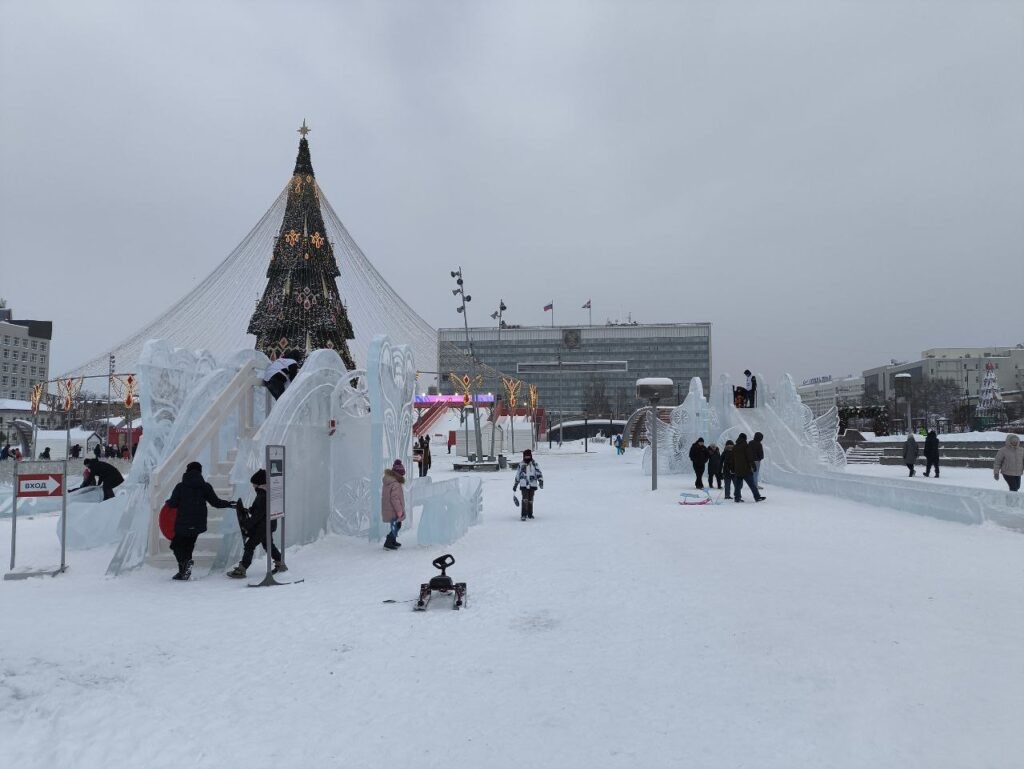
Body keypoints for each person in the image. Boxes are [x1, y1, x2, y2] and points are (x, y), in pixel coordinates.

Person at [165, 461, 235, 580]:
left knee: (176, 546)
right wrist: (229, 504)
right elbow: (216, 503)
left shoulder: (180, 487)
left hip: (183, 522)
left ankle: (184, 566)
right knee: (189, 546)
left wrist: (167, 503)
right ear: (200, 472)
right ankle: (184, 572)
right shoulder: (205, 487)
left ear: (187, 471)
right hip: (198, 523)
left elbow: (173, 503)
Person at [226, 469, 285, 578]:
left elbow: (258, 515)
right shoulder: (265, 494)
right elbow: (259, 510)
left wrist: (246, 525)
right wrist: (250, 510)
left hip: (263, 527)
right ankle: (280, 563)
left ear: (260, 484)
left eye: (254, 484)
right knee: (268, 546)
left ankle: (242, 569)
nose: (253, 486)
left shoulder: (262, 496)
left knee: (249, 545)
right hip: (268, 525)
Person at [731, 433, 765, 502]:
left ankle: (737, 498)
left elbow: (732, 459)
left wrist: (732, 468)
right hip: (746, 469)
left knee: (737, 485)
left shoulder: (735, 447)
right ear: (745, 439)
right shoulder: (745, 446)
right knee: (752, 484)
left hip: (738, 469)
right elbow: (749, 457)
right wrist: (753, 466)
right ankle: (757, 497)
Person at [382, 459, 407, 550]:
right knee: (396, 525)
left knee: (395, 524)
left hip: (389, 508)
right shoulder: (395, 484)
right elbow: (394, 498)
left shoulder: (389, 481)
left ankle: (393, 540)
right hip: (394, 509)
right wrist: (399, 510)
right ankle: (388, 542)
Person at [513, 448, 544, 520]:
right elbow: (518, 475)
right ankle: (524, 514)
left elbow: (538, 473)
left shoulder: (534, 464)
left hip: (532, 483)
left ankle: (530, 513)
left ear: (531, 456)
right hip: (523, 484)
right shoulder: (521, 464)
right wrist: (515, 484)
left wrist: (540, 480)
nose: (527, 457)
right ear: (523, 456)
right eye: (526, 456)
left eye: (528, 456)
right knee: (525, 499)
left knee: (530, 499)